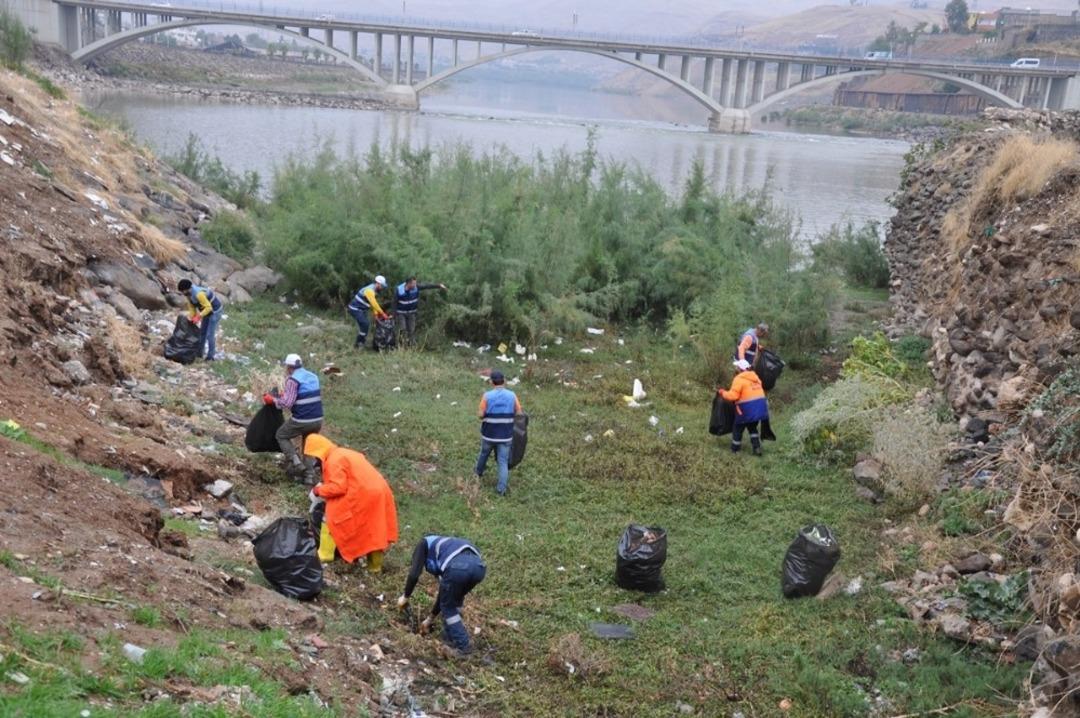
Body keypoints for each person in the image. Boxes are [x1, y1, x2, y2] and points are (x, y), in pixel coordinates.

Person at [304, 433, 399, 571]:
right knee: (375, 528)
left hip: (362, 494)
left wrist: (319, 490)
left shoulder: (333, 461)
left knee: (331, 517)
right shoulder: (344, 453)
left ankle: (325, 554)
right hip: (380, 492)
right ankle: (375, 567)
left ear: (318, 452)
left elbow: (338, 487)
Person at [396, 535, 486, 655]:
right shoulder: (446, 548)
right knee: (453, 603)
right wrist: (429, 619)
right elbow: (443, 594)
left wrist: (405, 596)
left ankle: (464, 647)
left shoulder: (424, 543)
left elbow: (414, 574)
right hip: (479, 568)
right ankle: (450, 639)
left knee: (448, 608)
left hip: (458, 567)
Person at [263, 354, 323, 485]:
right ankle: (309, 476)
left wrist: (272, 400)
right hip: (317, 419)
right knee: (309, 445)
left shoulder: (293, 380)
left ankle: (296, 463)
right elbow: (305, 395)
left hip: (302, 420)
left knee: (281, 435)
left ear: (289, 367)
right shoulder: (313, 377)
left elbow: (287, 404)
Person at [475, 370, 522, 496]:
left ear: (491, 382)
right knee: (502, 461)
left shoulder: (487, 396)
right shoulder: (512, 395)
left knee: (484, 453)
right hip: (505, 435)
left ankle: (478, 473)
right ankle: (501, 490)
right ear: (504, 381)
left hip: (489, 434)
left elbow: (480, 415)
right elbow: (519, 413)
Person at [719, 359, 769, 456]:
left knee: (737, 428)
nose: (735, 368)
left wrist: (722, 393)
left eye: (737, 367)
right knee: (752, 428)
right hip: (759, 409)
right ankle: (757, 448)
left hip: (746, 410)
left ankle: (735, 450)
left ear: (740, 369)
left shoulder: (738, 379)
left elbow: (733, 396)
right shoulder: (756, 378)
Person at [177, 279, 223, 361]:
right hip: (206, 311)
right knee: (202, 332)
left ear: (187, 289)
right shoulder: (189, 295)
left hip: (215, 311)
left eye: (182, 291)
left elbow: (209, 307)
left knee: (209, 335)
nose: (182, 293)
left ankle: (210, 356)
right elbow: (192, 307)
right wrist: (191, 317)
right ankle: (199, 353)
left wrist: (198, 317)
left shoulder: (199, 294)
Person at [394, 277, 447, 346]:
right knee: (403, 329)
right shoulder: (399, 290)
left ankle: (412, 345)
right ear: (408, 284)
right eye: (414, 283)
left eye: (416, 283)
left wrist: (439, 285)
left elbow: (427, 286)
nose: (415, 285)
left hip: (412, 312)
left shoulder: (416, 287)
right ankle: (402, 345)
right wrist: (393, 314)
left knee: (412, 329)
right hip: (401, 313)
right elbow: (394, 302)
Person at [346, 275, 389, 350]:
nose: (382, 288)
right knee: (365, 324)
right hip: (355, 309)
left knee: (365, 325)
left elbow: (372, 304)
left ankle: (360, 342)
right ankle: (359, 344)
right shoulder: (369, 290)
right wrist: (382, 314)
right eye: (382, 286)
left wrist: (376, 314)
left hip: (361, 310)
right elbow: (374, 303)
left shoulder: (374, 290)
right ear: (378, 284)